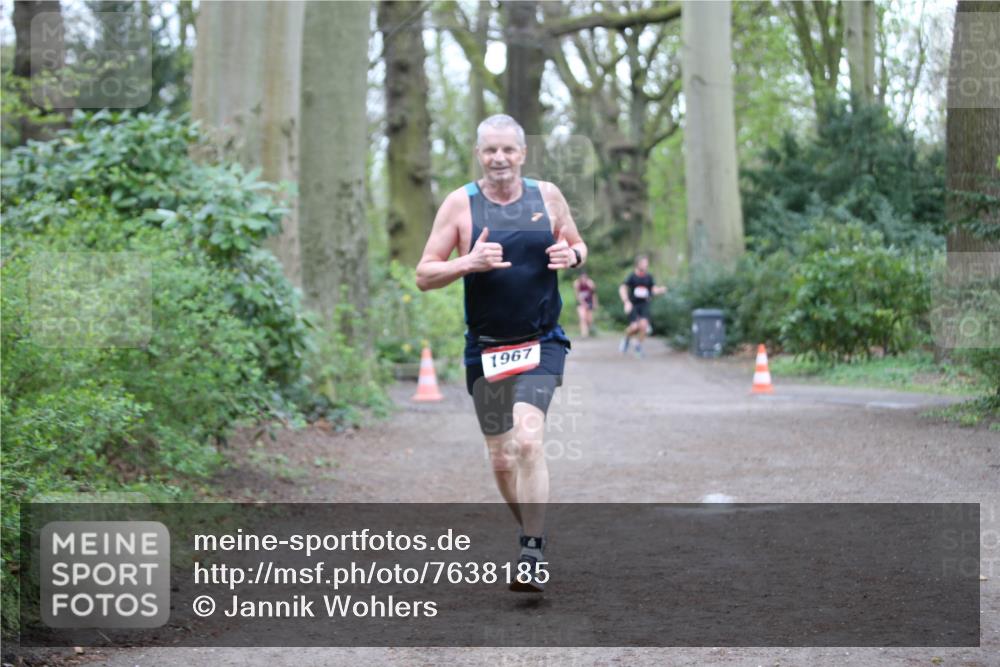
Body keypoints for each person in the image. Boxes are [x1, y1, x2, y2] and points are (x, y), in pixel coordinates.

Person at [415, 114, 587, 592]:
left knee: (528, 440)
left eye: (508, 149)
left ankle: (530, 552)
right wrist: (467, 262)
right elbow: (424, 274)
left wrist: (571, 256)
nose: (499, 158)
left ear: (522, 154)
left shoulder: (547, 196)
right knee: (502, 460)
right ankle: (534, 533)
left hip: (540, 342)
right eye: (490, 150)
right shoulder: (460, 204)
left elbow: (577, 245)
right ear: (478, 154)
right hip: (486, 349)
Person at [618, 255, 666, 358]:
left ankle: (638, 346)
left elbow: (653, 290)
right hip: (633, 304)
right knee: (634, 327)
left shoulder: (649, 277)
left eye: (647, 263)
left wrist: (660, 290)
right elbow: (622, 288)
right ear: (638, 264)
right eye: (644, 263)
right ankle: (626, 339)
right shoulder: (632, 276)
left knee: (644, 325)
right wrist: (626, 302)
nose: (646, 265)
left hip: (644, 304)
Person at [573, 271, 598, 337]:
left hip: (589, 302)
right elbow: (577, 295)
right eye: (582, 278)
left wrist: (595, 303)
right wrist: (583, 303)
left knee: (589, 319)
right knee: (582, 317)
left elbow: (594, 294)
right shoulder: (576, 283)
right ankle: (584, 334)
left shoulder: (590, 283)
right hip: (580, 303)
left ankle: (591, 330)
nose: (583, 279)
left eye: (585, 278)